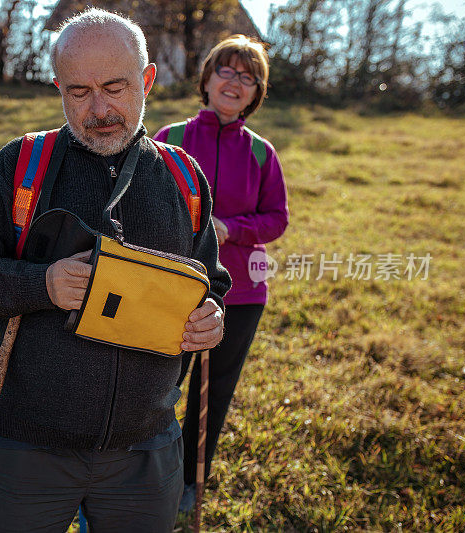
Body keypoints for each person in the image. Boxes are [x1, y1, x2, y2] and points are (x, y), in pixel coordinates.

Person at [0, 9, 231, 533]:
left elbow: (211, 280)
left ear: (148, 80)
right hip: (24, 447)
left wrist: (212, 316)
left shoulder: (184, 178)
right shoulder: (22, 164)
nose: (99, 110)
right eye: (78, 92)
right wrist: (40, 284)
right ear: (58, 89)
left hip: (147, 451)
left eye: (115, 88)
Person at [154, 34, 289, 512]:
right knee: (159, 385)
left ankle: (191, 483)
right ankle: (144, 475)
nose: (235, 82)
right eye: (226, 71)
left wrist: (229, 228)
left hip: (242, 295)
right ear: (207, 80)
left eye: (247, 77)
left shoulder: (261, 153)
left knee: (212, 393)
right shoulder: (168, 139)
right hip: (171, 287)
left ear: (256, 93)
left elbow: (277, 218)